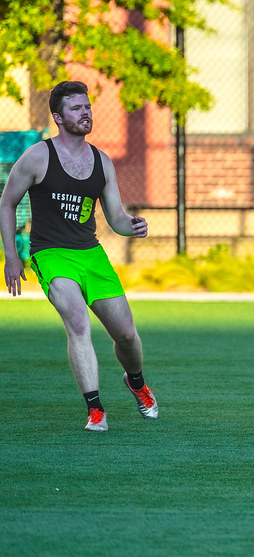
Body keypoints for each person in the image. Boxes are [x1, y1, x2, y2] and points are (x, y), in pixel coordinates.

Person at [1, 80, 158, 432]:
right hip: (52, 254)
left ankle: (136, 383)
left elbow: (115, 217)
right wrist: (13, 256)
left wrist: (130, 225)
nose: (85, 112)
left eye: (87, 107)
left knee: (127, 336)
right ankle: (96, 410)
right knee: (78, 324)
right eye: (76, 108)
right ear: (58, 117)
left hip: (91, 254)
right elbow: (7, 202)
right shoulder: (38, 156)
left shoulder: (101, 161)